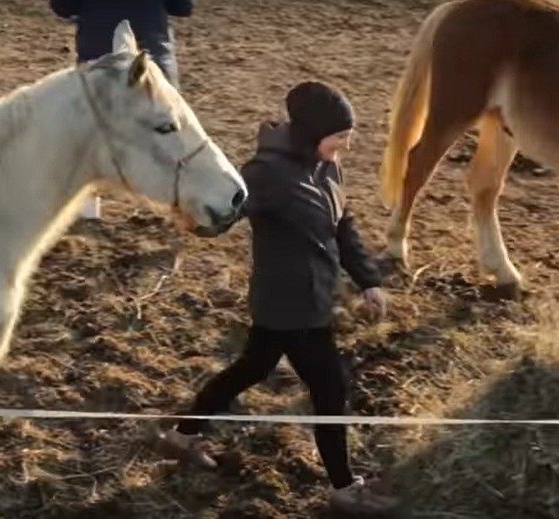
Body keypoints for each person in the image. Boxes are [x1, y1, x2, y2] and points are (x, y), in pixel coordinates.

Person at [151, 81, 401, 515]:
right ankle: (344, 488)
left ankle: (182, 434)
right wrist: (197, 224)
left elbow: (343, 227)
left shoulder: (327, 168)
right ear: (312, 133)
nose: (347, 145)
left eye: (348, 136)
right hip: (288, 305)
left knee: (251, 367)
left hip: (314, 298)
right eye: (340, 136)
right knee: (329, 390)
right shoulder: (266, 171)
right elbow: (228, 210)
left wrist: (369, 280)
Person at [49, 0, 194, 219]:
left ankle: (87, 208)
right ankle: (186, 204)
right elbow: (182, 7)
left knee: (90, 133)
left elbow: (63, 7)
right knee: (170, 134)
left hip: (98, 61)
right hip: (152, 61)